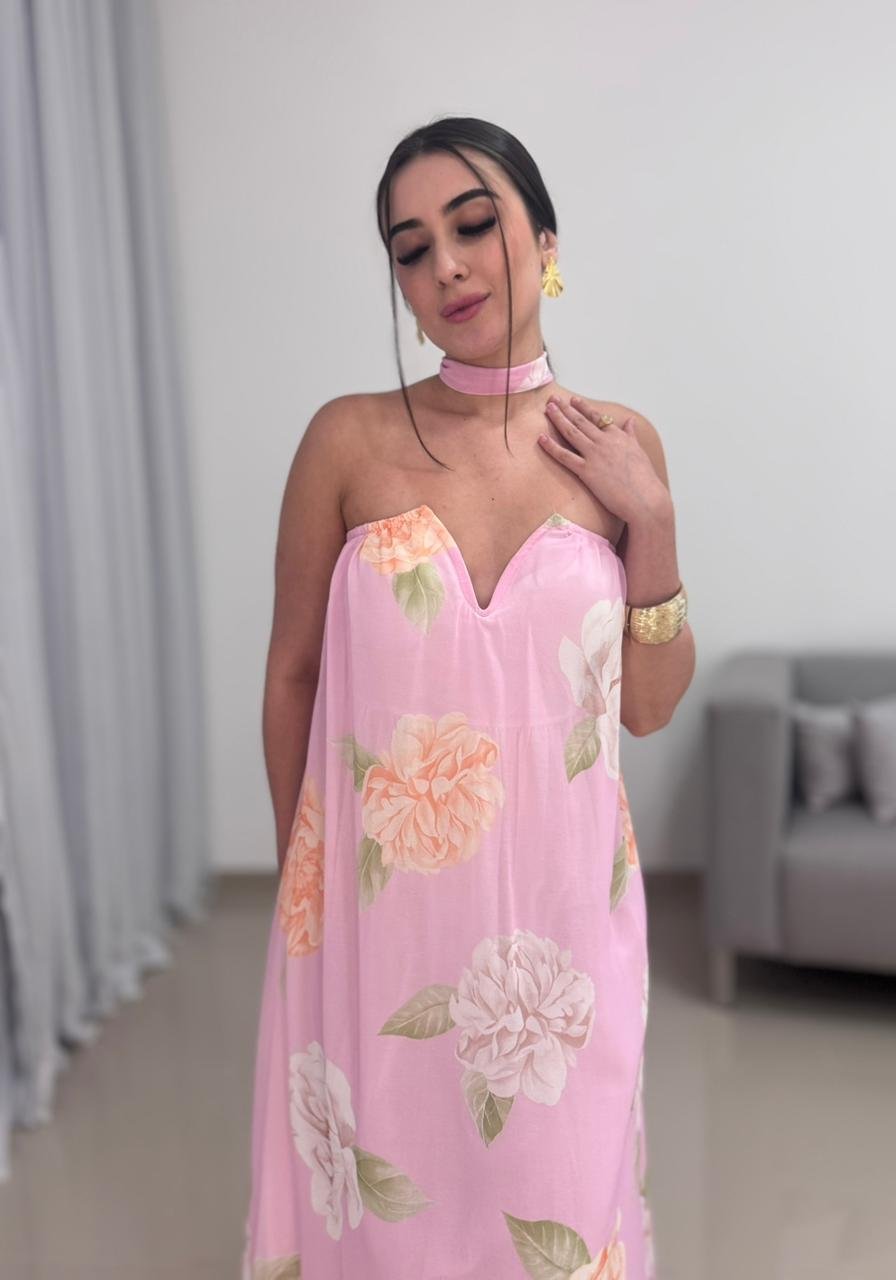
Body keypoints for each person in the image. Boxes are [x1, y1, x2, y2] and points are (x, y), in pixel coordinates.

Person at [243, 115, 694, 1280]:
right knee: (386, 1220)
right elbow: (292, 672)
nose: (444, 264)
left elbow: (647, 706)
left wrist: (652, 520)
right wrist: (306, 897)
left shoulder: (621, 444)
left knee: (555, 1214)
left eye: (474, 225)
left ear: (545, 241)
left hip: (562, 943)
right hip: (377, 929)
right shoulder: (347, 440)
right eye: (410, 248)